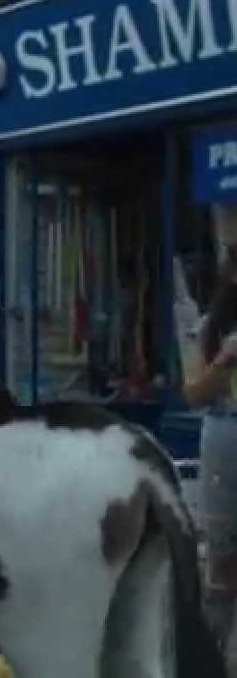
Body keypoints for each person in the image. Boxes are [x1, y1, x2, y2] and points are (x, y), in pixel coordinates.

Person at [183, 256, 237, 667]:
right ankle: (209, 658)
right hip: (224, 436)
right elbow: (192, 394)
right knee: (221, 554)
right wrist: (223, 361)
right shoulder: (212, 329)